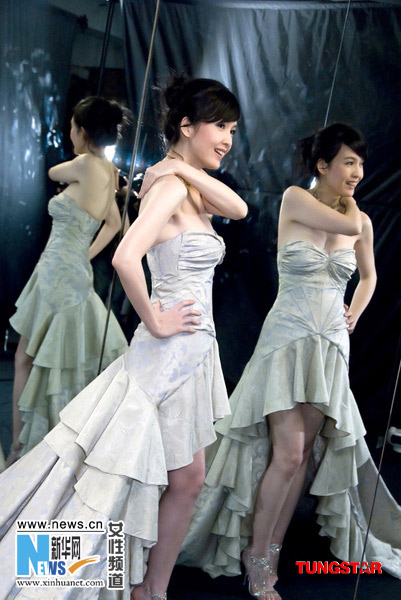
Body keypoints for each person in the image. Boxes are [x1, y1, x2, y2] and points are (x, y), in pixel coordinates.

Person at [0, 76, 247, 599]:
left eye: (233, 129)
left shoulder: (185, 182)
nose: (228, 139)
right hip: (170, 353)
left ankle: (146, 588)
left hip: (191, 354)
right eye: (221, 127)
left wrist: (181, 166)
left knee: (181, 479)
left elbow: (240, 209)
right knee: (122, 479)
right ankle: (109, 585)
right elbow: (125, 256)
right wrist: (155, 322)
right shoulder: (172, 188)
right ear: (187, 126)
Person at [179, 123, 401, 597]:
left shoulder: (360, 219)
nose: (358, 172)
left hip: (329, 346)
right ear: (322, 165)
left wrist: (354, 314)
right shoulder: (296, 200)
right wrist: (352, 208)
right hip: (286, 340)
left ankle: (270, 553)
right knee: (288, 452)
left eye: (362, 164)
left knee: (301, 456)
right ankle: (256, 555)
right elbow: (349, 226)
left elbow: (368, 276)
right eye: (349, 162)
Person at [6, 97, 128, 466]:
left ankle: (19, 451)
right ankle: (45, 450)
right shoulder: (108, 172)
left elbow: (52, 173)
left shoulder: (86, 164)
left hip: (57, 275)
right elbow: (115, 223)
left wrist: (79, 254)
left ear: (83, 131)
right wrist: (85, 254)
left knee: (27, 358)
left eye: (73, 128)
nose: (70, 134)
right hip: (70, 270)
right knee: (57, 362)